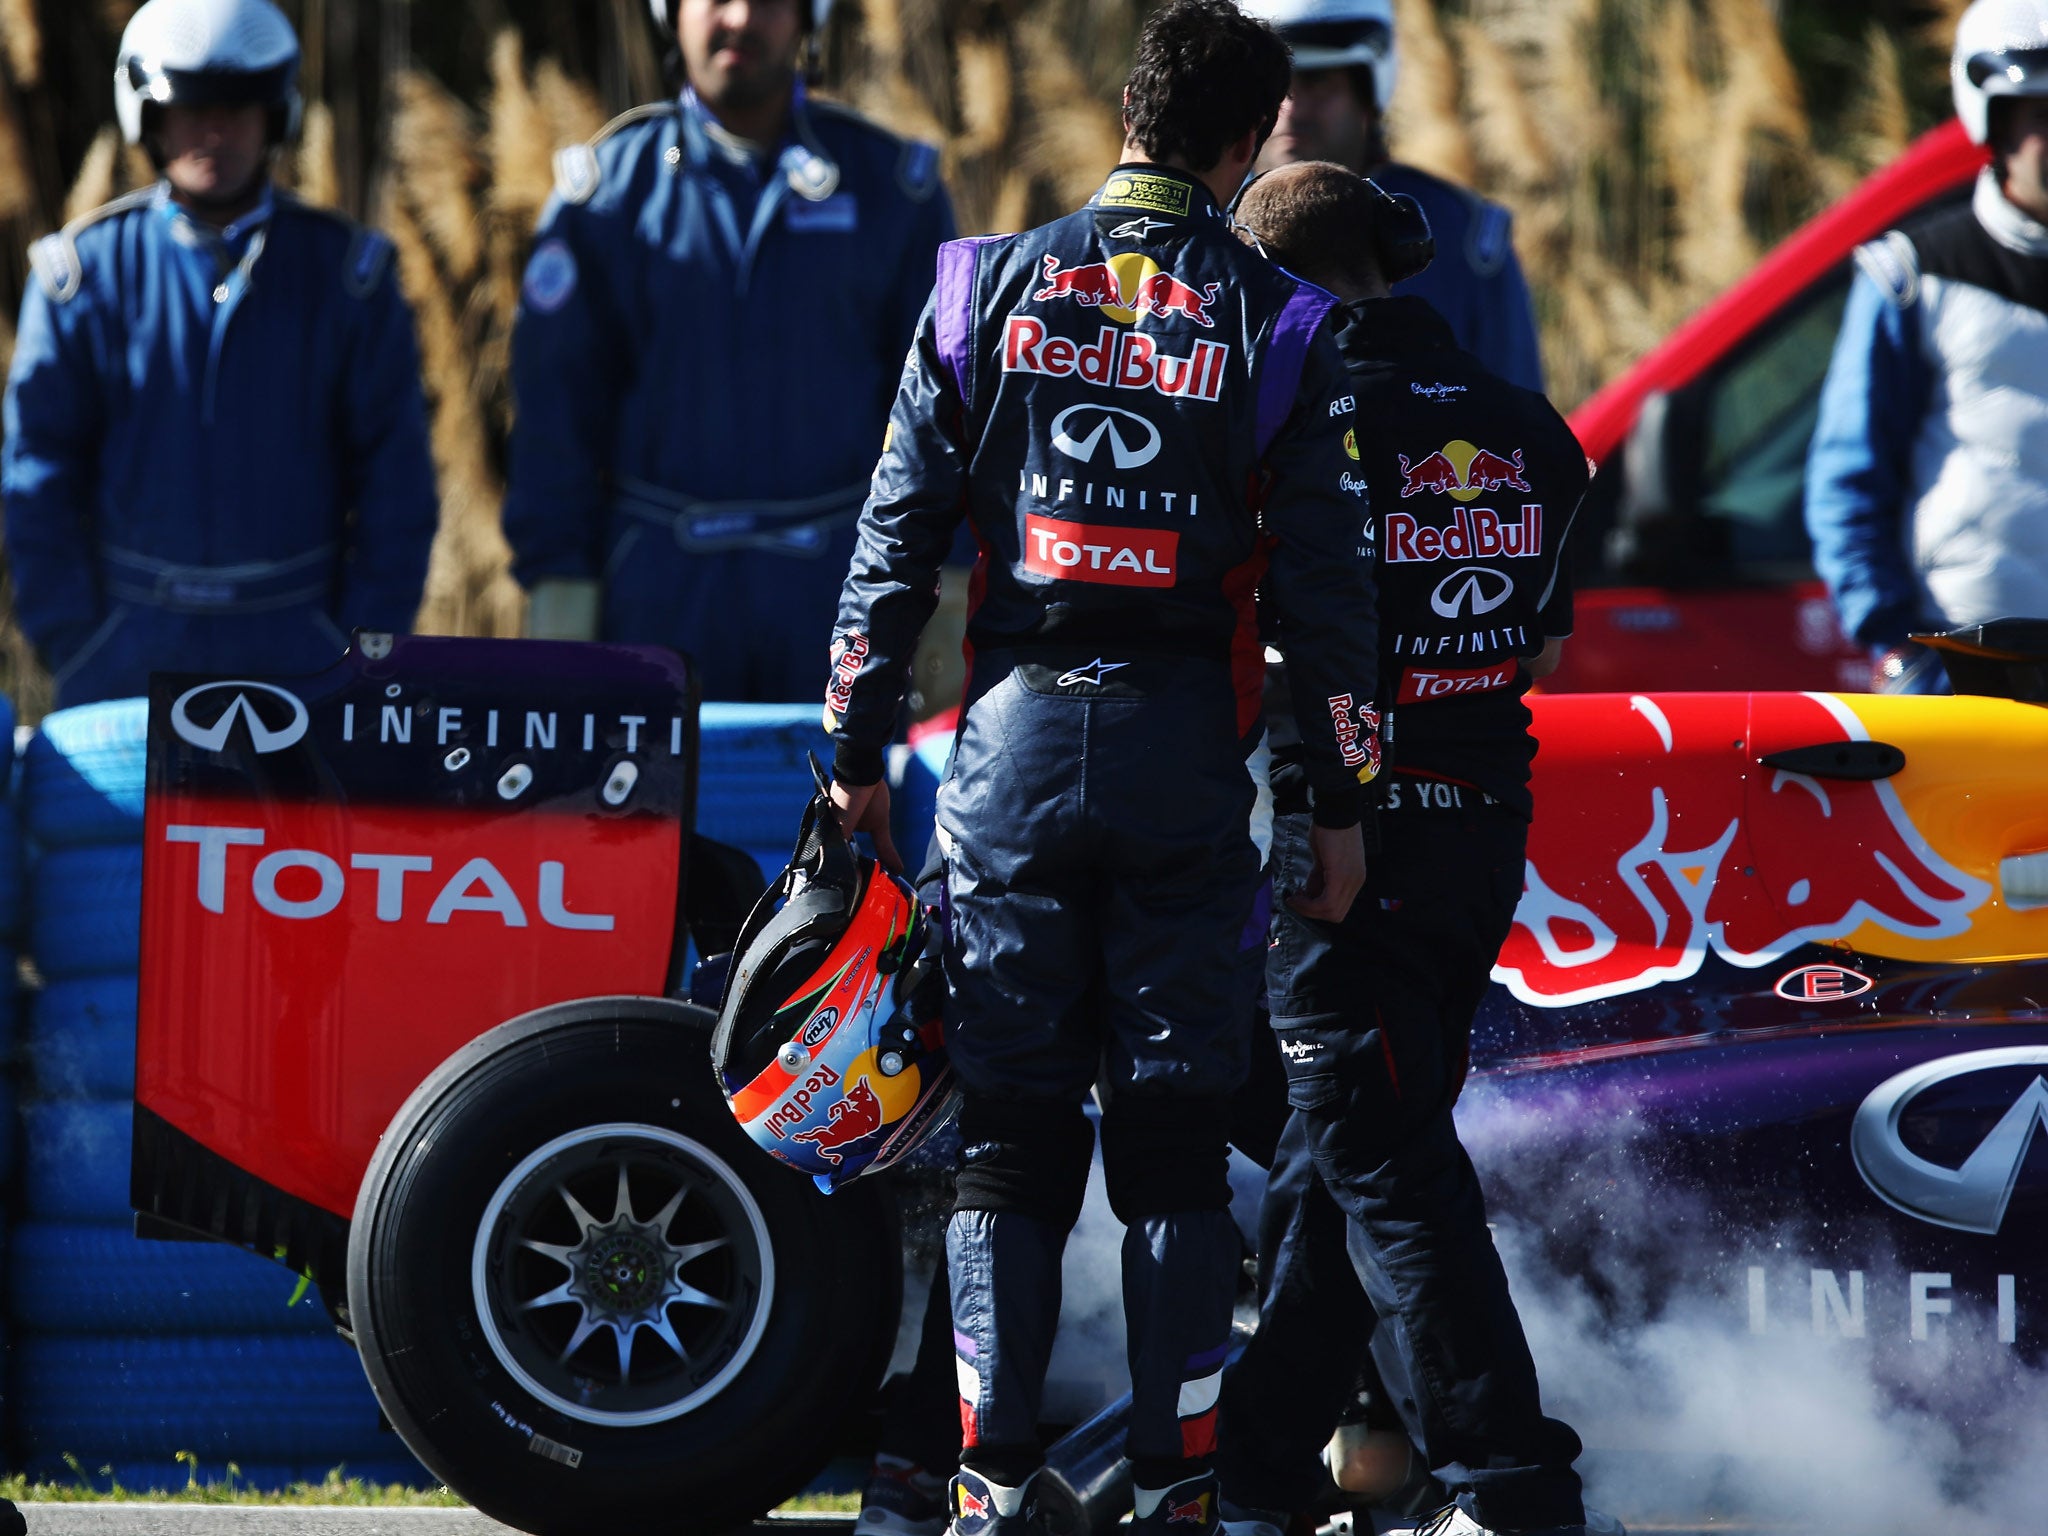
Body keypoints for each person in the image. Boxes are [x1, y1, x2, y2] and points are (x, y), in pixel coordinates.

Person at [824, 3, 1382, 1530]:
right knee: (1172, 1142)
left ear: (1129, 113)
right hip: (1179, 761)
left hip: (1001, 754)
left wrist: (854, 746)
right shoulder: (1287, 325)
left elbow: (890, 543)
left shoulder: (977, 288)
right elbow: (1334, 610)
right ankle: (1178, 1486)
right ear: (1248, 139)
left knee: (1005, 1137)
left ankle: (989, 1480)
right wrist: (1338, 805)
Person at [1218, 163, 1612, 1536]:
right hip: (1480, 841)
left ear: (1277, 287)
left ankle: (1510, 1484)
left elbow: (1256, 639)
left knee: (1384, 1168)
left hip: (1344, 839)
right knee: (1346, 1161)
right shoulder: (1533, 427)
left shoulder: (1291, 424)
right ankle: (1255, 1484)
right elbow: (1545, 648)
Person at [502, 0, 956, 701]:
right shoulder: (603, 199)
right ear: (670, 16)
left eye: (772, 1)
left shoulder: (894, 191)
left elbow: (945, 417)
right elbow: (553, 423)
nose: (741, 18)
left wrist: (945, 587)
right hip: (655, 599)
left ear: (811, 21)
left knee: (834, 811)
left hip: (844, 597)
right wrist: (559, 590)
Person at [2, 0, 437, 709]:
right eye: (189, 106)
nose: (213, 129)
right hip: (125, 659)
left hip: (304, 660)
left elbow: (398, 488)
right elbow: (38, 481)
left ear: (277, 114)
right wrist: (77, 640)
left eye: (238, 106)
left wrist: (353, 648)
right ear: (145, 112)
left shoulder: (350, 278)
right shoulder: (79, 278)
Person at [1804, 0, 2048, 695]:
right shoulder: (1910, 276)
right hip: (1964, 662)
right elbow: (1848, 481)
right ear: (1994, 126)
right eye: (2041, 117)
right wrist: (1894, 646)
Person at [1235, 0, 1543, 394]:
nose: (1292, 110)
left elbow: (1516, 414)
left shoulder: (1466, 240)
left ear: (1368, 91)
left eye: (1318, 81)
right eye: (1276, 88)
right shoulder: (1202, 224)